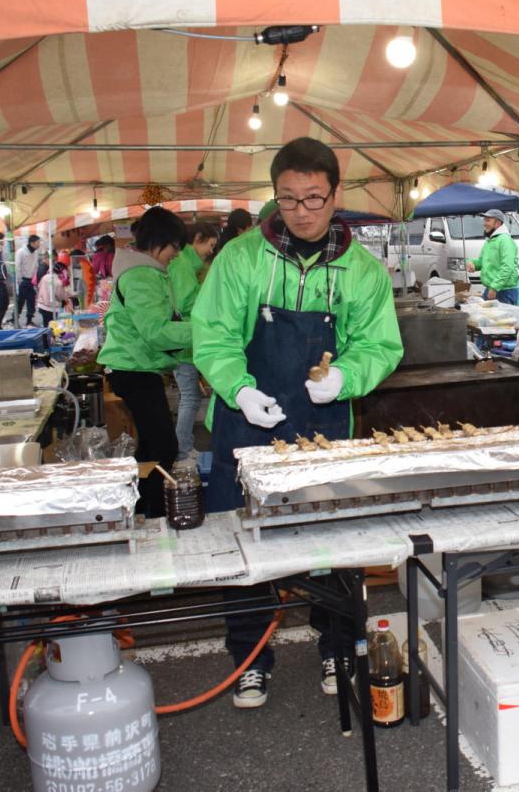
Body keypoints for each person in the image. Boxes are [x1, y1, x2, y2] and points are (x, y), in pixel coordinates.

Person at [193, 136, 403, 709]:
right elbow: (212, 334)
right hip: (246, 428)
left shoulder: (362, 271)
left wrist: (348, 375)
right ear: (275, 196)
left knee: (331, 545)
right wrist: (238, 389)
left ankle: (337, 648)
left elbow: (380, 344)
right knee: (245, 549)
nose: (302, 211)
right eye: (288, 199)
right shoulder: (241, 259)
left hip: (323, 427)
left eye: (313, 198)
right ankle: (250, 659)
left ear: (335, 194)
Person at [98, 208, 192, 518]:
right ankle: (148, 510)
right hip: (134, 368)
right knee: (163, 446)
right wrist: (206, 331)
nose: (176, 255)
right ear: (159, 241)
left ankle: (137, 507)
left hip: (137, 366)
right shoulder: (141, 275)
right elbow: (156, 332)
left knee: (152, 445)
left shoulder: (143, 269)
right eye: (175, 247)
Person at [167, 222, 219, 463]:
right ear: (198, 237)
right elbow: (187, 303)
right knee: (190, 397)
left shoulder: (186, 263)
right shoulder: (182, 264)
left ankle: (184, 447)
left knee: (190, 396)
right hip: (185, 340)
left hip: (187, 340)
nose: (211, 250)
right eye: (210, 244)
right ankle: (183, 450)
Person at [466, 208, 519, 304]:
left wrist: (495, 287)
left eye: (488, 220)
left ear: (498, 223)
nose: (484, 223)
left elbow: (507, 267)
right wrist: (471, 263)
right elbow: (482, 261)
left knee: (503, 314)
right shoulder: (490, 240)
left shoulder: (505, 241)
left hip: (504, 291)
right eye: (484, 220)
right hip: (492, 288)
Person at [36, 254, 74, 326]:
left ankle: (46, 332)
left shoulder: (45, 277)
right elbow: (61, 295)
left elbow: (39, 286)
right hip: (51, 308)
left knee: (46, 324)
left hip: (41, 305)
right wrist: (68, 296)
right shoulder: (58, 282)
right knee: (52, 326)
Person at [15, 235, 42, 326]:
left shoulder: (35, 252)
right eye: (38, 242)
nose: (39, 244)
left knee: (31, 301)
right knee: (20, 301)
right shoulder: (21, 252)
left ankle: (29, 320)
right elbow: (17, 266)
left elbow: (36, 266)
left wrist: (35, 279)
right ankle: (14, 319)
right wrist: (19, 280)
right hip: (23, 280)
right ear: (32, 243)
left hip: (32, 280)